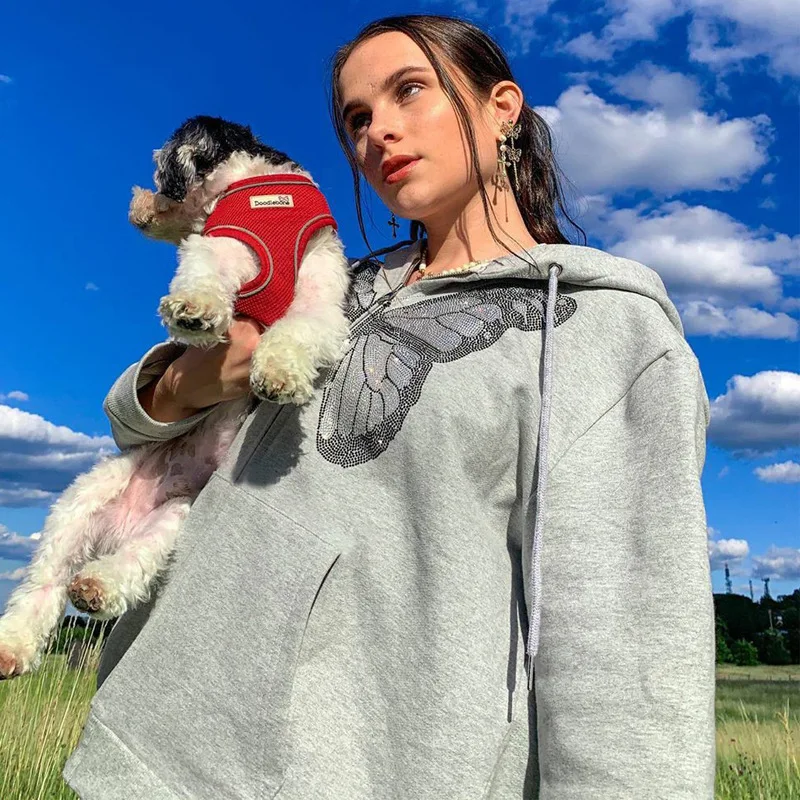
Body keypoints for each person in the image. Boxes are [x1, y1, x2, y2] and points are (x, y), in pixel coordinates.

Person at [62, 13, 716, 800]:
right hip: (156, 735)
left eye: (410, 91)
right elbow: (128, 420)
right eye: (356, 118)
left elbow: (627, 649)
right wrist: (188, 385)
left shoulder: (608, 333)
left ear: (502, 108)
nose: (379, 132)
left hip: (348, 771)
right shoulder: (329, 283)